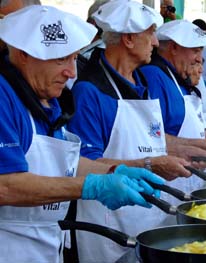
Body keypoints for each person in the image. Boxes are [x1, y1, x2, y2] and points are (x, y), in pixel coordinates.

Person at [0, 5, 164, 263]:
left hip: (46, 245)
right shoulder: (4, 97)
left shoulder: (46, 100)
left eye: (74, 58)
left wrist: (114, 171)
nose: (71, 73)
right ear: (23, 54)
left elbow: (66, 164)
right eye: (60, 59)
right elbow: (5, 185)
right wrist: (92, 186)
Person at [67, 1, 192, 262]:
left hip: (150, 216)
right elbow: (84, 164)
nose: (156, 42)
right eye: (150, 33)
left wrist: (197, 147)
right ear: (129, 39)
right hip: (110, 223)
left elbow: (151, 138)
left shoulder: (142, 80)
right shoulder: (90, 91)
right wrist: (150, 164)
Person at [140, 20, 206, 190]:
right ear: (174, 47)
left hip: (189, 180)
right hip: (166, 183)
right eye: (196, 51)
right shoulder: (153, 76)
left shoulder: (178, 77)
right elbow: (149, 137)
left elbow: (181, 127)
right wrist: (203, 144)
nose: (200, 59)